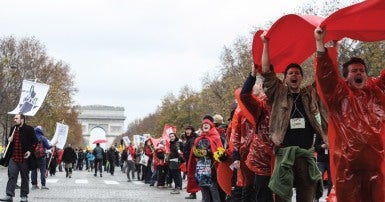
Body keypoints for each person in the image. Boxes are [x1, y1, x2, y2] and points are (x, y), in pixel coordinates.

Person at [315, 26, 385, 202]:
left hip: (376, 168)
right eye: (354, 71)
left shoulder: (377, 93)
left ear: (367, 75)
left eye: (362, 70)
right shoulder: (339, 96)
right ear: (346, 77)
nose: (359, 73)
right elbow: (326, 74)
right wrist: (320, 43)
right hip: (348, 170)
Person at [260, 31, 327, 202]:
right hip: (284, 154)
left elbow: (323, 75)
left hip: (305, 154)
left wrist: (321, 43)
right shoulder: (278, 92)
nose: (294, 75)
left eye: (297, 73)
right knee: (281, 196)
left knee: (307, 196)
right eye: (290, 73)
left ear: (302, 77)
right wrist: (266, 44)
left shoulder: (310, 93)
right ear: (285, 78)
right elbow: (266, 72)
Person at [0, 114, 38, 202]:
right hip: (13, 157)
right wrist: (9, 140)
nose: (14, 120)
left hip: (24, 158)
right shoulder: (13, 129)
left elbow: (35, 142)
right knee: (12, 176)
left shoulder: (29, 129)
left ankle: (24, 196)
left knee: (24, 177)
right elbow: (9, 143)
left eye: (16, 118)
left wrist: (30, 151)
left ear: (22, 120)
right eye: (14, 118)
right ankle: (9, 195)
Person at [187, 118, 223, 202]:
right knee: (203, 187)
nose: (205, 125)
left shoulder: (215, 137)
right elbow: (194, 153)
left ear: (211, 126)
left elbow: (220, 150)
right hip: (200, 167)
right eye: (204, 125)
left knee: (212, 187)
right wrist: (197, 152)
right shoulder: (198, 139)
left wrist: (208, 152)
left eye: (207, 124)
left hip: (211, 166)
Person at [30, 126, 55, 190]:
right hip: (41, 157)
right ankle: (43, 185)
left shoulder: (31, 137)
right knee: (42, 171)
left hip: (33, 157)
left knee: (33, 171)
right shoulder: (43, 138)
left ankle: (34, 185)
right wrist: (53, 145)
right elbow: (48, 147)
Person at [314, 134, 332, 200]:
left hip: (331, 161)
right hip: (321, 161)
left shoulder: (333, 134)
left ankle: (329, 197)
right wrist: (322, 146)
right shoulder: (320, 135)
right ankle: (317, 197)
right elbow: (315, 147)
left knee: (331, 181)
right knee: (318, 179)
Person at [183, 126, 199, 199]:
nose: (187, 131)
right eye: (186, 130)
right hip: (189, 160)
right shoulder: (189, 139)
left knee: (192, 176)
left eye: (189, 129)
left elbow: (193, 150)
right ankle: (193, 193)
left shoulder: (192, 139)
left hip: (192, 161)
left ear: (192, 131)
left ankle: (193, 193)